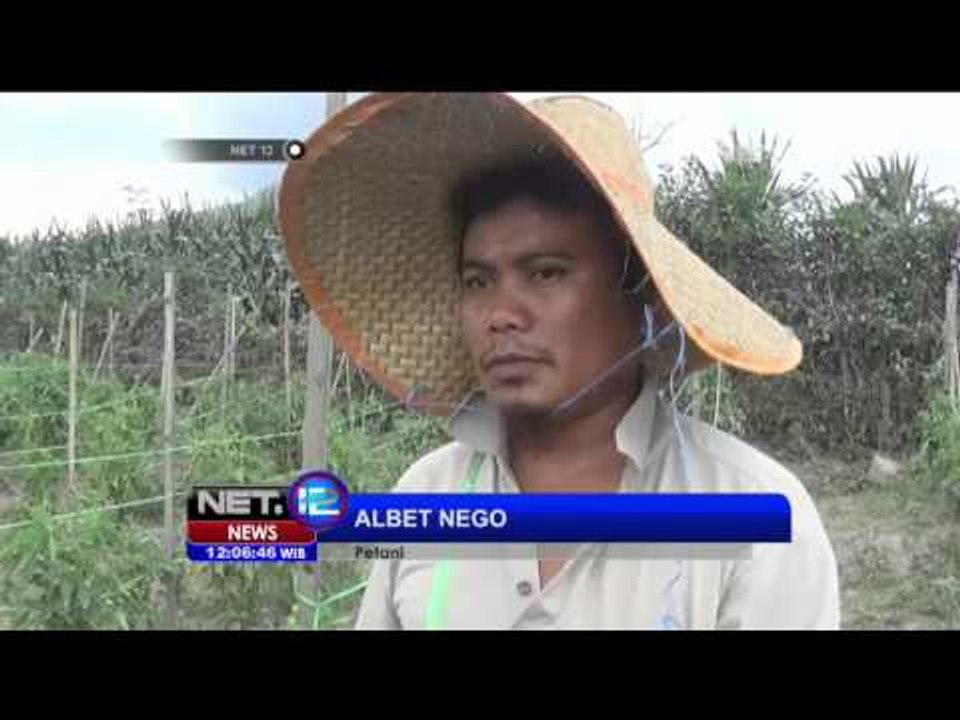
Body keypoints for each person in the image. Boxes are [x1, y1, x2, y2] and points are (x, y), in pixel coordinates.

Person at [278, 92, 840, 630]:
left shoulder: (756, 517)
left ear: (640, 295)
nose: (501, 314)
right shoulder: (428, 495)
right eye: (478, 280)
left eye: (546, 272)